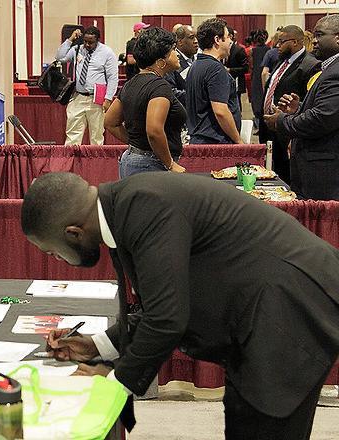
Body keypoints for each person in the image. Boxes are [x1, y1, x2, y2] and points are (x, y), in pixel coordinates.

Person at [21, 171, 339, 440]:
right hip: (262, 312)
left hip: (290, 312)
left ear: (73, 233)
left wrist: (112, 385)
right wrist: (98, 345)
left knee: (266, 427)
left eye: (52, 252)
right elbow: (163, 300)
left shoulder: (144, 207)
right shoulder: (124, 207)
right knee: (246, 423)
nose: (58, 259)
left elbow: (166, 319)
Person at [265, 14, 339, 200]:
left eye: (320, 35)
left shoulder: (335, 71)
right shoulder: (329, 67)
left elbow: (322, 118)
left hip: (325, 172)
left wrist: (282, 120)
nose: (313, 41)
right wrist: (298, 110)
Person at [104, 27, 186, 177]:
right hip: (152, 165)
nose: (177, 54)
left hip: (133, 160)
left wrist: (137, 143)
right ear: (161, 62)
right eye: (174, 50)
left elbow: (110, 122)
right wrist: (170, 163)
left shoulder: (131, 83)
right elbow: (154, 130)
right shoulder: (160, 86)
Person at [258, 25, 320, 184]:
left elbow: (310, 104)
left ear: (294, 42)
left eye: (281, 41)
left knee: (286, 179)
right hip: (270, 128)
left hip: (289, 133)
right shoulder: (282, 61)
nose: (277, 45)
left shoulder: (310, 65)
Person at [54, 26, 118, 145]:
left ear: (98, 40)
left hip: (97, 99)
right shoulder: (77, 49)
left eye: (91, 42)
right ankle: (71, 162)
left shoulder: (107, 52)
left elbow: (113, 78)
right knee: (72, 135)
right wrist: (70, 40)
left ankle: (95, 163)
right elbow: (59, 57)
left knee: (97, 137)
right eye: (85, 41)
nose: (87, 45)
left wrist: (108, 98)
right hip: (77, 97)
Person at [186, 18, 242, 144]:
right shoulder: (215, 68)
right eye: (228, 37)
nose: (230, 42)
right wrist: (238, 140)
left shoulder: (195, 66)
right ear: (217, 40)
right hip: (215, 144)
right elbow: (220, 111)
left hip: (199, 140)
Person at [164, 24, 198, 107]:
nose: (196, 41)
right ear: (180, 42)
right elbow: (171, 92)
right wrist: (198, 95)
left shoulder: (199, 60)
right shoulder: (171, 61)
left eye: (196, 37)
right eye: (191, 37)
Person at [249, 29, 270, 130]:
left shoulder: (253, 50)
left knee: (256, 99)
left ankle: (258, 123)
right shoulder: (268, 50)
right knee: (263, 97)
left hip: (256, 75)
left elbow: (251, 65)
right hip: (264, 75)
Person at [224, 27, 249, 112]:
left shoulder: (239, 50)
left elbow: (246, 68)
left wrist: (230, 70)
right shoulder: (220, 49)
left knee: (236, 103)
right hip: (224, 82)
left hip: (236, 82)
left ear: (230, 36)